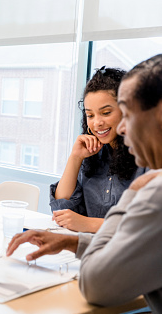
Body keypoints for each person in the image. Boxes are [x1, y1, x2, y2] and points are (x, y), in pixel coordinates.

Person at [7, 54, 162, 314]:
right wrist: (72, 242)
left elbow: (95, 285)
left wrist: (133, 194)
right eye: (90, 115)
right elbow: (142, 245)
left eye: (128, 114)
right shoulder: (97, 154)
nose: (122, 128)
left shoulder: (154, 187)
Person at [50, 67, 146, 233]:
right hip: (90, 250)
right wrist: (75, 158)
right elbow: (61, 209)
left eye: (106, 112)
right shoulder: (93, 153)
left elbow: (147, 224)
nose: (97, 123)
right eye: (90, 115)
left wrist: (87, 224)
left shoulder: (149, 156)